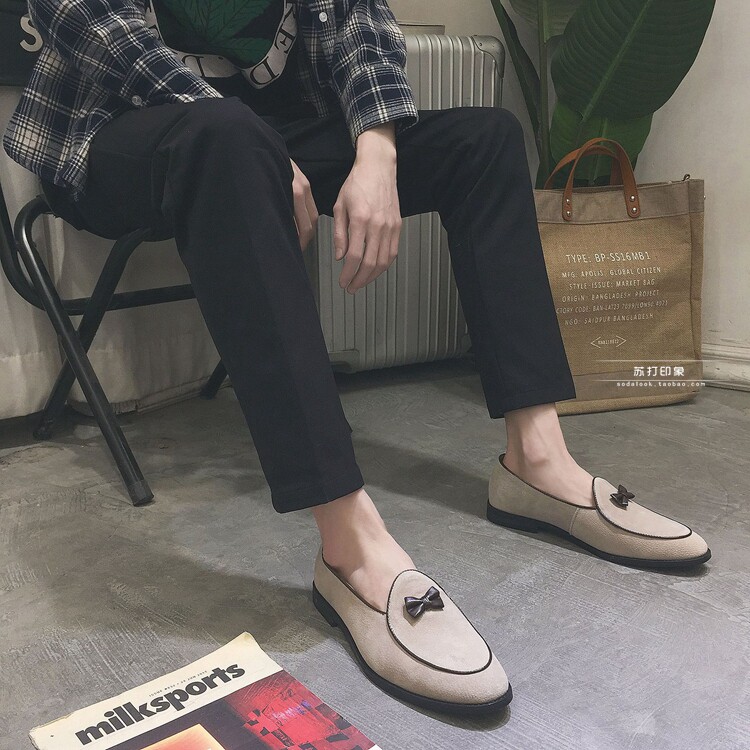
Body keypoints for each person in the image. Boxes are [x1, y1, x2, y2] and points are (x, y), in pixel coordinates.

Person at [3, 0, 711, 717]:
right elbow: (100, 31)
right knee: (227, 136)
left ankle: (538, 461)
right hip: (117, 137)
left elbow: (360, 22)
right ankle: (350, 547)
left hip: (269, 133)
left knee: (485, 138)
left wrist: (377, 151)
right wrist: (258, 142)